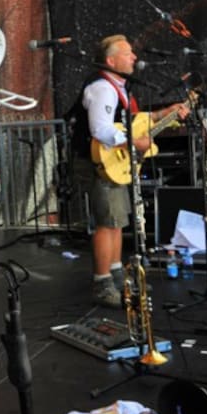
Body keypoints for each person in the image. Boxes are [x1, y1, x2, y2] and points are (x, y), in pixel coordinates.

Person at [67, 34, 189, 307]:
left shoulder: (120, 88)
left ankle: (116, 274)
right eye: (127, 53)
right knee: (107, 222)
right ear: (111, 60)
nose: (134, 57)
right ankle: (103, 283)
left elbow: (132, 121)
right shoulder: (103, 88)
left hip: (113, 162)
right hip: (99, 162)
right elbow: (100, 129)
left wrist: (163, 114)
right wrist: (134, 142)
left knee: (117, 221)